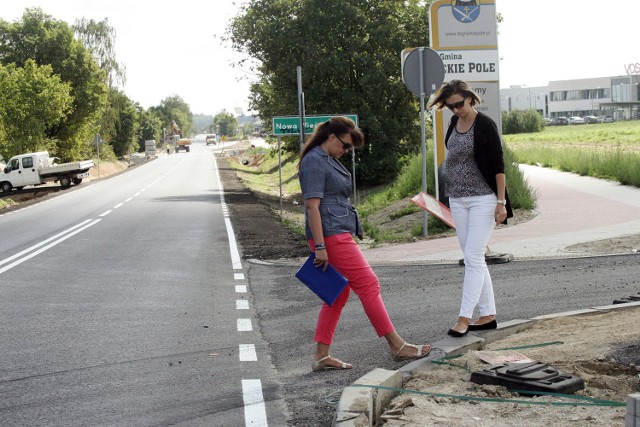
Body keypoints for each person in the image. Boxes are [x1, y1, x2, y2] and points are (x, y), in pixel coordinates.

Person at [298, 116, 431, 371]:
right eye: (345, 145)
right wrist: (321, 246)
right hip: (331, 236)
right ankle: (397, 345)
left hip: (337, 233)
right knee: (368, 284)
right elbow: (312, 207)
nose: (346, 151)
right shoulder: (314, 161)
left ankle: (321, 356)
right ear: (332, 137)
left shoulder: (327, 159)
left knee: (337, 294)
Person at [427, 80, 513, 337]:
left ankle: (464, 317)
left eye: (459, 104)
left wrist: (501, 203)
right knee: (473, 255)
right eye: (450, 106)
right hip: (458, 199)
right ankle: (488, 315)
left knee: (473, 257)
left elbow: (498, 165)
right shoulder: (454, 123)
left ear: (470, 98)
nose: (455, 110)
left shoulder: (485, 124)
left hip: (483, 199)